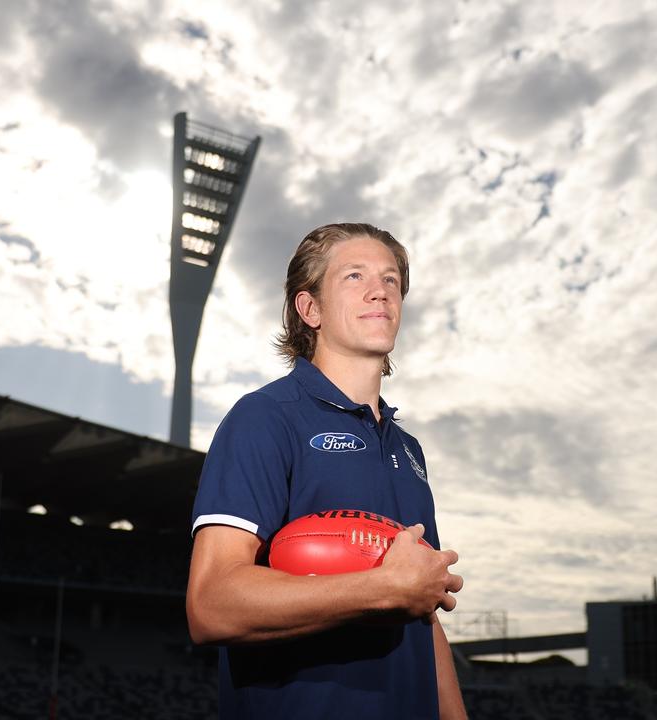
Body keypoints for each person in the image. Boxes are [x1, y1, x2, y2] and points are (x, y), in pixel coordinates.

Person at [186, 222, 467, 719]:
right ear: (309, 309)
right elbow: (211, 605)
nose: (380, 289)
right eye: (354, 276)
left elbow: (421, 608)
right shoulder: (265, 418)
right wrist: (381, 589)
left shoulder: (410, 449)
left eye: (391, 280)